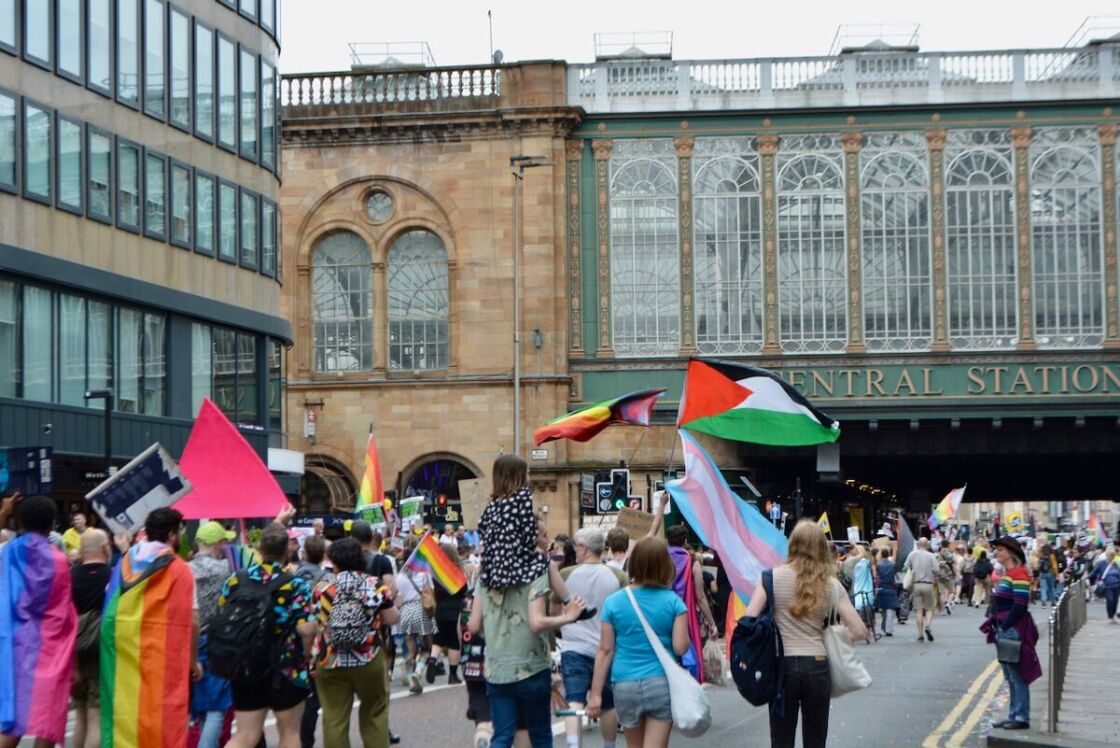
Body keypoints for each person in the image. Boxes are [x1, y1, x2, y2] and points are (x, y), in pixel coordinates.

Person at [744, 520, 867, 748]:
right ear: (821, 548)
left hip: (782, 668)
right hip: (818, 666)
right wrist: (837, 637)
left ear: (792, 545)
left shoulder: (770, 578)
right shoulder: (831, 584)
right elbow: (860, 631)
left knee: (781, 741)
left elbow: (749, 619)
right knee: (815, 741)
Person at [469, 536, 585, 748]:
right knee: (539, 734)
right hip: (531, 665)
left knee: (502, 735)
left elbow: (474, 625)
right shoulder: (534, 570)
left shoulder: (485, 575)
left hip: (497, 667)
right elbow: (537, 622)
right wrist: (569, 616)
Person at [99, 507, 200, 748]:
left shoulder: (124, 562)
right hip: (161, 660)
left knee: (123, 717)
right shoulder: (180, 570)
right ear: (173, 535)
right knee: (161, 720)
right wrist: (192, 662)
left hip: (121, 658)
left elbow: (110, 605)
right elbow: (193, 620)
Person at [220, 522, 316, 748]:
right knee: (290, 733)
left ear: (260, 550)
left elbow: (222, 615)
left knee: (245, 735)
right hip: (286, 664)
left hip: (246, 664)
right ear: (287, 551)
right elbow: (306, 629)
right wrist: (307, 653)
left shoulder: (235, 580)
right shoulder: (296, 584)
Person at [587, 537, 686, 748]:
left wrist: (595, 694)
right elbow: (680, 647)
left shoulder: (614, 602)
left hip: (624, 683)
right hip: (660, 681)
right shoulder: (674, 602)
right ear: (664, 565)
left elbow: (605, 650)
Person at [0, 494, 77, 748]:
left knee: (12, 721)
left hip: (11, 643)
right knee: (48, 715)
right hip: (48, 647)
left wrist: (3, 513)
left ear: (20, 521)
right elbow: (64, 611)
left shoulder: (8, 552)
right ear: (52, 524)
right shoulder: (59, 561)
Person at [312, 537, 399, 747]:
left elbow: (317, 623)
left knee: (334, 717)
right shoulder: (374, 585)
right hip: (368, 657)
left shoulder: (322, 588)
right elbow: (392, 618)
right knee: (374, 712)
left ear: (333, 560)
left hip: (330, 659)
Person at [477, 455, 587, 620]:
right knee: (547, 563)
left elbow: (482, 529)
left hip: (497, 559)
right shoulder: (520, 500)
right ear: (517, 475)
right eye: (526, 472)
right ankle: (569, 601)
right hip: (512, 557)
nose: (529, 476)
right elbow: (528, 533)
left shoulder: (492, 504)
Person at [554, 528, 628, 748]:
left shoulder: (566, 574)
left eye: (576, 546)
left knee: (574, 699)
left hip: (573, 646)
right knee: (608, 703)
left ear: (584, 549)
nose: (575, 550)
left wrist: (560, 627)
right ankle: (608, 746)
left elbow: (553, 607)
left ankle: (574, 745)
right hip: (606, 647)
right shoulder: (618, 576)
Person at [983, 537, 1040, 731]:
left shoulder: (1019, 574)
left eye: (999, 550)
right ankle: (1013, 714)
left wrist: (1005, 626)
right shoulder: (1009, 573)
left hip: (1012, 630)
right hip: (1005, 628)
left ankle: (1021, 716)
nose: (996, 553)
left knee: (1017, 676)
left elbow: (1020, 604)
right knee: (1010, 676)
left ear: (1010, 553)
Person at [189, 521, 237, 748]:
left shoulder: (184, 569)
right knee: (216, 707)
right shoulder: (226, 569)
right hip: (217, 641)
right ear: (218, 544)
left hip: (188, 642)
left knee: (195, 708)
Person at [71, 529, 112, 748]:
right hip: (101, 651)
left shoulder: (69, 576)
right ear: (105, 548)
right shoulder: (114, 576)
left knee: (81, 717)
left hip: (74, 652)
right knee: (97, 716)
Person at [664, 524, 718, 680]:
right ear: (685, 541)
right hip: (685, 615)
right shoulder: (693, 562)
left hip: (661, 612)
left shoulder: (660, 559)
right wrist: (712, 623)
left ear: (667, 540)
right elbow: (700, 597)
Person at [394, 535, 437, 695]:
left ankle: (411, 672)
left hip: (405, 611)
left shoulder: (399, 577)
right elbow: (430, 592)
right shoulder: (423, 573)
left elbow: (395, 596)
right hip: (421, 609)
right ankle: (418, 672)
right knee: (427, 647)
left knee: (410, 648)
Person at [426, 542, 468, 685]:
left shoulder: (435, 574)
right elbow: (465, 592)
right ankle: (453, 675)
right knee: (453, 643)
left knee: (438, 640)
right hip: (455, 612)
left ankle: (432, 660)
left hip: (439, 611)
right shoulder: (457, 573)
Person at [905, 537, 939, 643]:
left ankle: (920, 635)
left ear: (918, 544)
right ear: (927, 545)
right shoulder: (931, 556)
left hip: (916, 585)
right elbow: (936, 570)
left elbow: (906, 566)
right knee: (929, 608)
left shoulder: (912, 554)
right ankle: (928, 625)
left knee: (918, 610)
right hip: (928, 585)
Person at [873, 547, 899, 637]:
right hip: (891, 588)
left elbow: (875, 576)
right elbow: (897, 577)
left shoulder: (878, 565)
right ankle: (889, 629)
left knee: (883, 609)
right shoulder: (893, 565)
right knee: (890, 610)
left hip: (881, 588)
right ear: (888, 554)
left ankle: (884, 626)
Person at [1089, 548, 1120, 622]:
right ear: (1106, 555)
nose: (1110, 557)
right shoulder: (1101, 563)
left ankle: (1112, 616)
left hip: (1117, 586)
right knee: (1110, 600)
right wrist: (1087, 577)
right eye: (1108, 555)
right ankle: (1110, 616)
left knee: (1115, 601)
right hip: (1107, 586)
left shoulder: (1115, 564)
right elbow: (1094, 572)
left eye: (1112, 556)